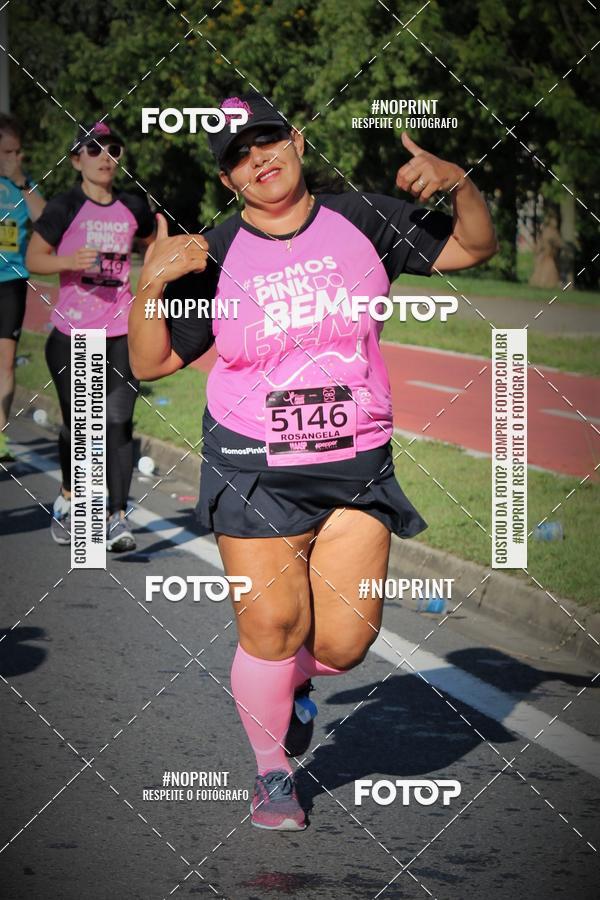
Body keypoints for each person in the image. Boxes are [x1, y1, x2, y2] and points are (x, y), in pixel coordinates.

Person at [128, 91, 498, 830]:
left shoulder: (363, 220)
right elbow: (153, 358)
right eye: (237, 156)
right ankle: (273, 773)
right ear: (228, 180)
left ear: (295, 140)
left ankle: (287, 684)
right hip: (253, 465)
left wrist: (461, 182)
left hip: (355, 466)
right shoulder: (216, 253)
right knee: (269, 628)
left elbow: (474, 247)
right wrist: (151, 282)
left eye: (266, 140)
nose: (258, 159)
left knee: (345, 643)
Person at [26, 122, 155, 550]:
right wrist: (67, 260)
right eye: (94, 148)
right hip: (74, 332)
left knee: (118, 424)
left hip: (122, 331)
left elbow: (157, 240)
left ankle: (117, 518)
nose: (105, 156)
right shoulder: (64, 207)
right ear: (76, 158)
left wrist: (154, 276)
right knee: (81, 428)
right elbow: (34, 259)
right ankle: (69, 500)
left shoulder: (134, 206)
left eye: (112, 149)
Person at [0, 114, 46, 461]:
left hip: (11, 280)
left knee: (6, 363)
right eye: (7, 152)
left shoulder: (25, 184)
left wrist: (22, 182)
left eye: (18, 152)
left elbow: (48, 222)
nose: (15, 158)